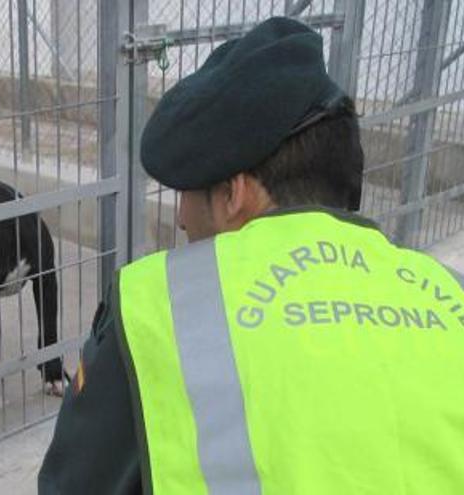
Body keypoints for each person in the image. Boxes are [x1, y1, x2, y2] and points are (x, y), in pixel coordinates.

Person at [38, 16, 464, 495]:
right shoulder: (450, 293)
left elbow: (73, 485)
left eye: (186, 194)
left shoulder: (158, 313)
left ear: (233, 195)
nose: (181, 220)